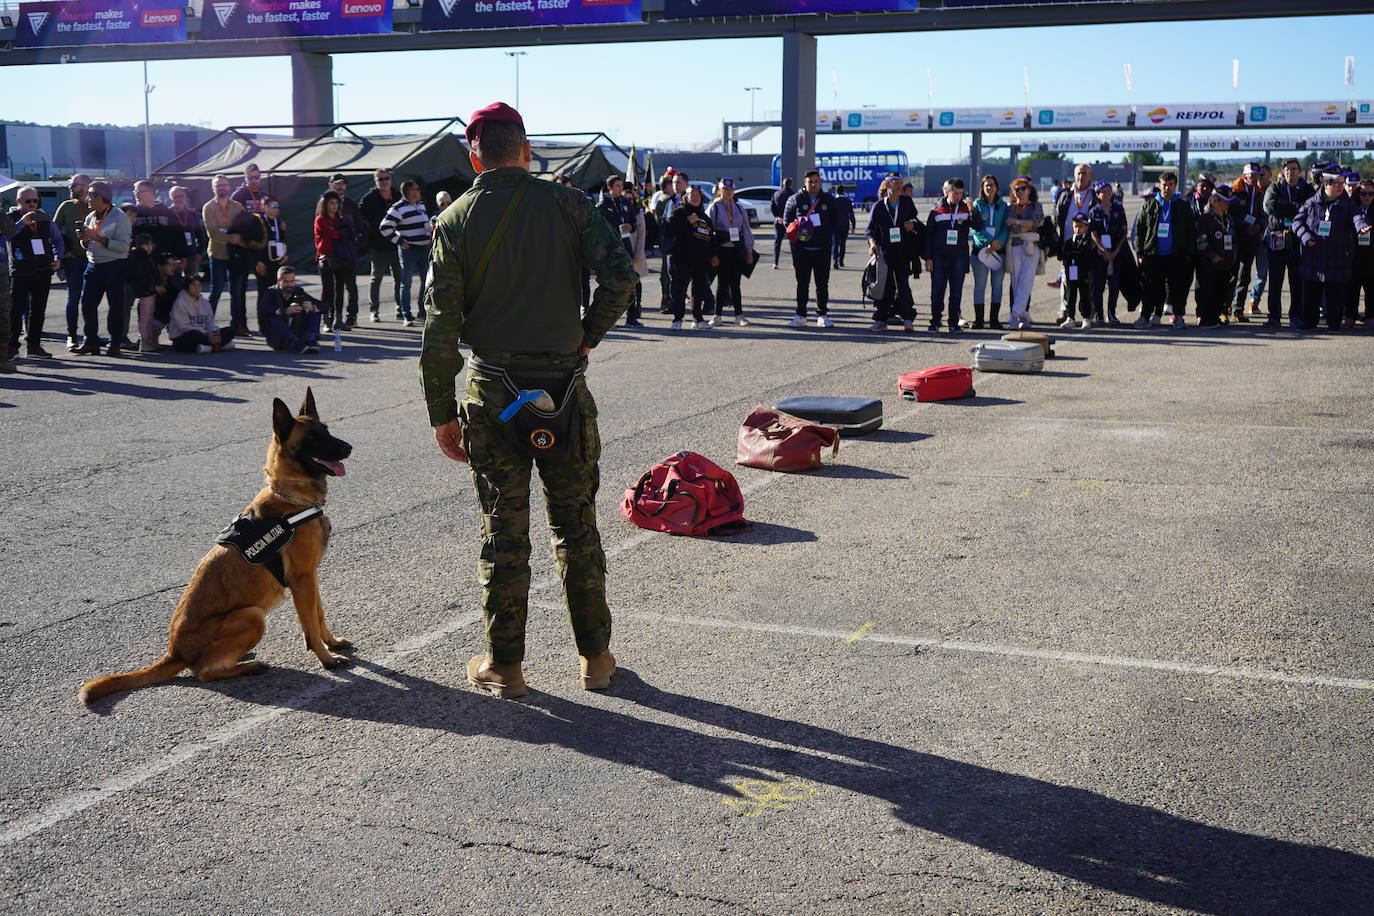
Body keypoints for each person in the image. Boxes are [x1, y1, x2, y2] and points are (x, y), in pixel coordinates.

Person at [419, 101, 635, 699]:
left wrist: (441, 414)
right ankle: (596, 659)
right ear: (526, 148)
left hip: (494, 396)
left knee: (504, 534)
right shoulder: (569, 203)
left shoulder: (454, 220)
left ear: (472, 157)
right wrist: (586, 336)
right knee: (577, 527)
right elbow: (622, 277)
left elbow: (439, 327)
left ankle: (506, 666)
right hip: (564, 391)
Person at [1292, 170, 1371, 331]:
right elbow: (1297, 223)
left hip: (1338, 260)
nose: (1340, 187)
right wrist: (1306, 237)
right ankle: (1309, 322)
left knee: (1336, 298)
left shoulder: (1348, 204)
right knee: (1311, 297)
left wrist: (1362, 228)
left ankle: (1334, 323)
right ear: (1326, 184)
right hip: (1313, 259)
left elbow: (1358, 217)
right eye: (1337, 183)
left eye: (1342, 183)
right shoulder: (1311, 202)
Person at [73, 181, 131, 357]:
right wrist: (84, 239)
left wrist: (97, 238)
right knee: (87, 305)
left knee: (115, 305)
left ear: (99, 197)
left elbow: (123, 247)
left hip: (114, 265)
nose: (87, 198)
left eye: (90, 195)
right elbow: (88, 244)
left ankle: (115, 342)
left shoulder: (120, 217)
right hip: (93, 265)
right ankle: (90, 341)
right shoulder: (91, 216)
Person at [6, 187, 64, 359]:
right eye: (28, 201)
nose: (32, 204)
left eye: (35, 201)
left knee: (38, 310)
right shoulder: (10, 218)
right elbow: (5, 237)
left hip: (43, 269)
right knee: (16, 310)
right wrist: (20, 224)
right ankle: (12, 346)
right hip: (20, 270)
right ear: (18, 202)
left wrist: (58, 257)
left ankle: (34, 346)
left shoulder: (44, 217)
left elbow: (57, 239)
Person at [923, 178, 984, 334]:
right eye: (955, 193)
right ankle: (935, 321)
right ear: (947, 192)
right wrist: (928, 257)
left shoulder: (966, 209)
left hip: (959, 257)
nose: (958, 196)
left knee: (956, 292)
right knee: (937, 292)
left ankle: (953, 323)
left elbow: (979, 227)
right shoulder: (936, 210)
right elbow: (928, 235)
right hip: (939, 258)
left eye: (961, 193)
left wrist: (973, 211)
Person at [1135, 172, 1194, 329]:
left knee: (1177, 288)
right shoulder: (1149, 205)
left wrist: (1188, 253)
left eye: (1170, 184)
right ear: (1159, 185)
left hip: (1176, 254)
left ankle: (1179, 317)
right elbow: (1139, 230)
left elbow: (1190, 231)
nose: (1167, 188)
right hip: (1153, 254)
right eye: (1164, 185)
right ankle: (1146, 316)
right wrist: (1140, 252)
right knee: (1151, 288)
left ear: (1175, 186)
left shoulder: (1182, 205)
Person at [1262, 158, 1314, 330]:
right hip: (1276, 236)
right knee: (1275, 280)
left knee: (1296, 281)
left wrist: (1287, 207)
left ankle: (1295, 316)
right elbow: (1269, 206)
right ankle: (1274, 316)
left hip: (1297, 238)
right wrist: (1295, 207)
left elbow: (1309, 208)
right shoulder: (1274, 187)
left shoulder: (1307, 188)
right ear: (1283, 171)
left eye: (1293, 169)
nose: (1290, 172)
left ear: (1299, 171)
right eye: (1287, 169)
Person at [783, 169, 836, 328]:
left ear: (820, 182)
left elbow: (836, 221)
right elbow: (787, 221)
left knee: (822, 284)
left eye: (816, 181)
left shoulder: (828, 199)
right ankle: (800, 315)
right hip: (802, 250)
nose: (813, 184)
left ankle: (823, 314)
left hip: (822, 249)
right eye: (810, 181)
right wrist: (798, 232)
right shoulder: (795, 199)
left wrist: (825, 235)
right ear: (804, 182)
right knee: (802, 284)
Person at [865, 177, 919, 332]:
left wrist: (912, 225)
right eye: (895, 184)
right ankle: (881, 319)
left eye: (900, 185)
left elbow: (915, 221)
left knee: (903, 286)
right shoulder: (878, 207)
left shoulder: (907, 203)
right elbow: (869, 230)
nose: (898, 187)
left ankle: (908, 319)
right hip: (885, 253)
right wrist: (872, 244)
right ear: (887, 186)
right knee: (885, 287)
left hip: (902, 252)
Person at [379, 180, 433, 327]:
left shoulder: (420, 205)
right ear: (410, 192)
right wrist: (401, 241)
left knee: (426, 282)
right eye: (417, 189)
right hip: (409, 251)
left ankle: (422, 312)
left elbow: (423, 224)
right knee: (406, 283)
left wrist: (430, 232)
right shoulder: (398, 208)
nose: (419, 192)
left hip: (424, 249)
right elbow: (384, 227)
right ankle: (406, 315)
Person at [664, 185, 717, 330]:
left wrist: (713, 255)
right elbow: (669, 231)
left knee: (698, 291)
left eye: (697, 196)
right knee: (679, 290)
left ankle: (698, 319)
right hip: (682, 258)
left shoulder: (705, 217)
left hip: (700, 261)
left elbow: (711, 239)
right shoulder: (680, 212)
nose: (694, 198)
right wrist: (687, 222)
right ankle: (677, 319)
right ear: (685, 197)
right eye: (691, 195)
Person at [706, 177, 756, 326]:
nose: (728, 192)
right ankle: (717, 315)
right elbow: (708, 232)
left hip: (737, 249)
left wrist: (749, 251)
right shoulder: (714, 208)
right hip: (721, 250)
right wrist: (712, 254)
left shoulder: (739, 208)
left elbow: (746, 230)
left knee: (736, 284)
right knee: (722, 284)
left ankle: (739, 315)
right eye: (725, 190)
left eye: (730, 190)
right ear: (719, 191)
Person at [54, 173, 92, 351]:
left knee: (90, 300)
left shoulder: (96, 205)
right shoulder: (66, 206)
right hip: (74, 260)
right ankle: (71, 335)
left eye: (74, 184)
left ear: (86, 186)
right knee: (73, 298)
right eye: (70, 184)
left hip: (93, 259)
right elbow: (53, 232)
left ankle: (90, 337)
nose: (70, 187)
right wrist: (63, 253)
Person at [359, 168, 403, 321]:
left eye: (386, 178)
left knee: (400, 278)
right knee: (376, 278)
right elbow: (361, 221)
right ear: (375, 181)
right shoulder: (369, 198)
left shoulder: (399, 196)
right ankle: (374, 310)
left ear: (390, 179)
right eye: (380, 179)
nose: (384, 182)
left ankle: (401, 308)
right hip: (378, 245)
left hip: (397, 244)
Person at [1192, 185, 1239, 330]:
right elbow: (1201, 241)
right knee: (1208, 291)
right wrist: (1212, 255)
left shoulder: (1227, 218)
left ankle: (1216, 316)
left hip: (1225, 263)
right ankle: (1207, 319)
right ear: (1215, 201)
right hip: (1209, 264)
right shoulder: (1205, 219)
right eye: (1225, 201)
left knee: (1221, 291)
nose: (1228, 204)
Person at [1087, 181, 1131, 326]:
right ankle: (1098, 314)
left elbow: (1124, 231)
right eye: (1103, 191)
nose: (1106, 194)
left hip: (1116, 253)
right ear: (1098, 195)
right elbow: (1093, 234)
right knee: (1098, 285)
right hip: (1099, 254)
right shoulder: (1094, 211)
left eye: (1108, 191)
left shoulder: (1118, 208)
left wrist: (1116, 251)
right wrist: (1103, 251)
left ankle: (1111, 313)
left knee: (1114, 285)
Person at [1054, 164, 1096, 316]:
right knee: (1067, 280)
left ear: (1090, 176)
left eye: (1085, 173)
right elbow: (1057, 217)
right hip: (1068, 247)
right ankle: (1065, 310)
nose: (1081, 176)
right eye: (1079, 173)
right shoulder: (1065, 194)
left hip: (1087, 246)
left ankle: (1088, 313)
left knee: (1087, 282)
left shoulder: (1095, 195)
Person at [968, 174, 1009, 329]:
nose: (990, 188)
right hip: (981, 251)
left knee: (997, 285)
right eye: (987, 185)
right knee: (980, 285)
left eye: (992, 185)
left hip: (999, 250)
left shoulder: (1003, 205)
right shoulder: (977, 205)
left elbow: (1006, 227)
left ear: (997, 187)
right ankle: (979, 320)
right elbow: (975, 227)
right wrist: (989, 242)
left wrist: (999, 242)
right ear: (983, 188)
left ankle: (994, 320)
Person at [201, 175, 244, 321]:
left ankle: (236, 325)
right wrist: (232, 238)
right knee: (216, 291)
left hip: (236, 255)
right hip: (218, 254)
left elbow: (244, 227)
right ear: (213, 188)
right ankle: (208, 324)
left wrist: (238, 236)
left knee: (236, 292)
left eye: (224, 185)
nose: (222, 187)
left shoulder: (238, 207)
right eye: (218, 185)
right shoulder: (208, 207)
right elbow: (212, 232)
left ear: (229, 186)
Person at [1004, 177, 1045, 330]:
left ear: (1029, 190)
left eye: (1023, 188)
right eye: (1017, 189)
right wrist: (1025, 225)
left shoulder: (1036, 205)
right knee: (1016, 282)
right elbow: (1010, 226)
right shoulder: (1010, 207)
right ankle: (1021, 314)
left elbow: (1037, 222)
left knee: (1027, 281)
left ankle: (1015, 314)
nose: (1020, 192)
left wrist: (1017, 222)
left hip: (1031, 246)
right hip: (1014, 246)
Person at [1229, 163, 1267, 322]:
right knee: (1231, 276)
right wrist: (1244, 228)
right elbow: (1228, 215)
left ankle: (1238, 310)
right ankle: (1225, 308)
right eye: (1251, 175)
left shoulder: (1259, 193)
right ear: (1244, 176)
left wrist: (1259, 226)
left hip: (1251, 240)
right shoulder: (1234, 192)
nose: (1254, 178)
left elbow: (1264, 215)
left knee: (1244, 276)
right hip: (1235, 239)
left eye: (1257, 175)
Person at [314, 190, 356, 332]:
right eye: (331, 203)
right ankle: (326, 321)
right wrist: (340, 233)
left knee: (340, 289)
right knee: (328, 290)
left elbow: (349, 234)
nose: (334, 206)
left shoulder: (341, 219)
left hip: (341, 257)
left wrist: (341, 233)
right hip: (326, 258)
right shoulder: (320, 219)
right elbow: (333, 234)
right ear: (325, 204)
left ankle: (338, 320)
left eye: (336, 203)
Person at [325, 174, 364, 324]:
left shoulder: (351, 204)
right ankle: (331, 316)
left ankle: (351, 316)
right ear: (330, 185)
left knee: (350, 285)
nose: (341, 187)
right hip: (330, 253)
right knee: (332, 287)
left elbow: (361, 226)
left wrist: (357, 246)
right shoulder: (323, 205)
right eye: (337, 184)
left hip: (348, 253)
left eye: (343, 184)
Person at [258, 267, 322, 354]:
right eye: (286, 282)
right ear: (278, 281)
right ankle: (294, 343)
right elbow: (262, 308)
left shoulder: (298, 291)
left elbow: (323, 306)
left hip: (296, 330)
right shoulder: (271, 292)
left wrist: (311, 307)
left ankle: (312, 340)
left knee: (315, 311)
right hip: (278, 337)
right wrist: (284, 311)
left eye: (292, 281)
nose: (289, 285)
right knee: (273, 317)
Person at [168, 275, 234, 353]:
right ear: (187, 287)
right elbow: (183, 327)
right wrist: (206, 334)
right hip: (184, 336)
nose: (197, 288)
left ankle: (209, 346)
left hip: (205, 335)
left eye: (199, 285)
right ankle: (217, 346)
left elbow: (210, 322)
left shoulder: (205, 302)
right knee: (193, 336)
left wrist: (214, 333)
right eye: (194, 285)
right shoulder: (180, 302)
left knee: (231, 330)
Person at [1059, 214, 1096, 329]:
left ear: (1086, 227)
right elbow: (1063, 255)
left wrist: (1074, 255)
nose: (1077, 229)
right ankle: (1070, 317)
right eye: (1075, 226)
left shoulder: (1088, 241)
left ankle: (1086, 317)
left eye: (1080, 227)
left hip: (1083, 273)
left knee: (1085, 295)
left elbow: (1086, 255)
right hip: (1071, 272)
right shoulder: (1069, 242)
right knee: (1070, 295)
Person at [131, 179, 183, 259]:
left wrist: (181, 256)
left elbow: (178, 235)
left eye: (139, 192)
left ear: (151, 192)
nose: (136, 195)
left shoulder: (166, 212)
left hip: (165, 258)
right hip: (141, 258)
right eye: (135, 192)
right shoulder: (133, 213)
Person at [126, 233, 160, 353]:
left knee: (149, 316)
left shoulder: (145, 256)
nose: (151, 247)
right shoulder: (139, 257)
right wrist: (151, 286)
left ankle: (149, 339)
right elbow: (141, 275)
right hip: (145, 291)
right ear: (143, 245)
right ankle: (144, 341)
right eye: (149, 244)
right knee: (145, 317)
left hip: (148, 290)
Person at [1348, 180, 1374, 329]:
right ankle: (1350, 316)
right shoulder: (1352, 209)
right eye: (1363, 193)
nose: (1367, 197)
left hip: (1371, 256)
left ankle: (1370, 316)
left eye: (1371, 194)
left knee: (1371, 289)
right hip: (1354, 255)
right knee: (1352, 289)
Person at [621, 182, 647, 327]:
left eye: (631, 199)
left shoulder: (638, 214)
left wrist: (638, 253)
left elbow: (642, 235)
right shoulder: (622, 213)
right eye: (627, 199)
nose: (629, 201)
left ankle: (637, 306)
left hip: (636, 253)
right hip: (623, 253)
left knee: (636, 282)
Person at [168, 185, 206, 281]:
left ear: (185, 197)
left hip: (192, 256)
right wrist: (173, 257)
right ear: (170, 198)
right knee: (175, 285)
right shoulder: (166, 214)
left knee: (192, 284)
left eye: (182, 196)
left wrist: (199, 252)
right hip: (175, 257)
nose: (179, 199)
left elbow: (200, 235)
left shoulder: (192, 214)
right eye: (176, 196)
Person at [830, 184, 857, 269]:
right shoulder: (847, 201)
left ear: (836, 191)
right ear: (843, 191)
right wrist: (853, 225)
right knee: (843, 243)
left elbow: (830, 214)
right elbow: (851, 214)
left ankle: (835, 260)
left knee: (835, 243)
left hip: (835, 225)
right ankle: (841, 260)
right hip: (845, 225)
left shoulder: (833, 201)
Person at [771, 177, 793, 268]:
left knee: (777, 242)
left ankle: (775, 262)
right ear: (790, 184)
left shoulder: (776, 194)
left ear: (783, 184)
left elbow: (772, 207)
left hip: (779, 221)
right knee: (793, 242)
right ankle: (794, 263)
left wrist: (777, 217)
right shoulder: (793, 195)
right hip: (790, 222)